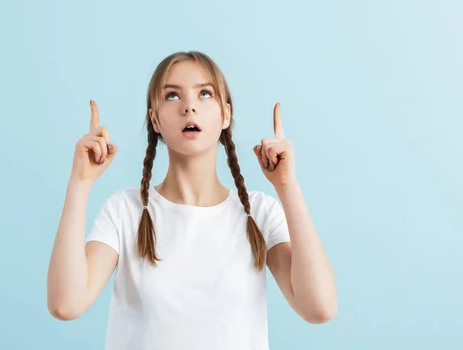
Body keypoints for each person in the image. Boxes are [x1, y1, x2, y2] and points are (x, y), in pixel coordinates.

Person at [47, 51, 337, 350]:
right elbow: (66, 304)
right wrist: (80, 183)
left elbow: (319, 307)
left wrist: (287, 186)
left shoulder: (260, 213)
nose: (189, 107)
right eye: (172, 96)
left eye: (205, 94)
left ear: (226, 115)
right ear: (154, 119)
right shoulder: (125, 211)